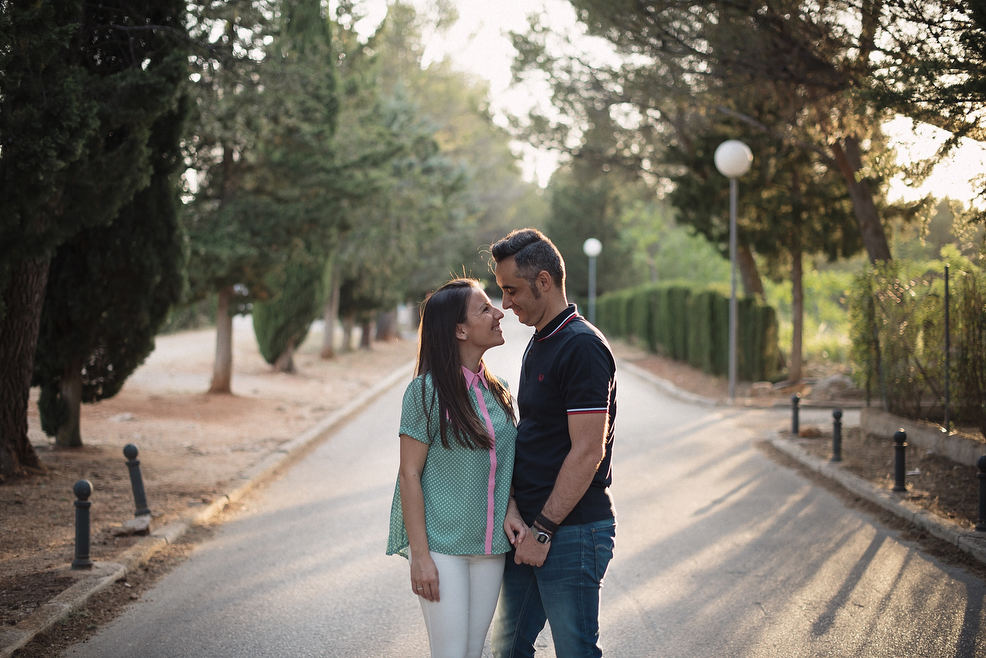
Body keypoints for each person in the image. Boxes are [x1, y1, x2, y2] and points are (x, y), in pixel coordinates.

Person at [489, 228, 617, 657]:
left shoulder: (581, 346)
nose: (505, 303)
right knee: (507, 649)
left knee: (576, 652)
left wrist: (542, 532)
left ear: (544, 281)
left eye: (512, 290)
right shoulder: (542, 341)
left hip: (570, 531)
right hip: (531, 528)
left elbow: (587, 450)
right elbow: (536, 438)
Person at [386, 278, 527, 658]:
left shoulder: (498, 391)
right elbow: (409, 474)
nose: (499, 313)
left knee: (471, 651)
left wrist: (511, 507)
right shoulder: (424, 393)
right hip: (442, 549)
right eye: (485, 309)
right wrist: (420, 558)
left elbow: (503, 465)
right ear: (459, 330)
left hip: (490, 548)